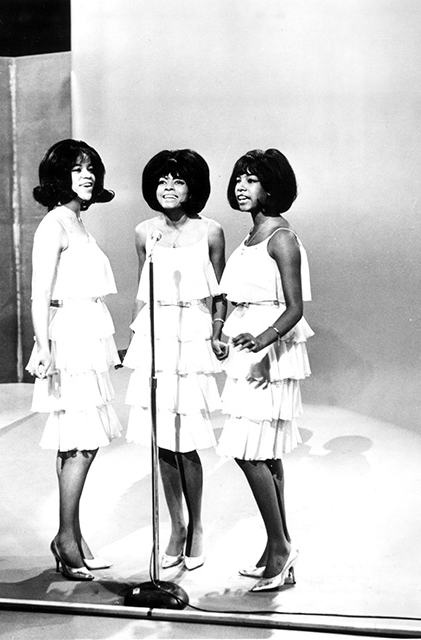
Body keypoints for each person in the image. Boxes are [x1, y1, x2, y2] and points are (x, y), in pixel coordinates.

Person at [123, 149, 227, 571]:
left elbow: (220, 292)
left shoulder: (212, 231)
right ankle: (176, 526)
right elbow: (143, 289)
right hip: (157, 337)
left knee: (188, 443)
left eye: (178, 181)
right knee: (162, 438)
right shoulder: (143, 231)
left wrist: (218, 333)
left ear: (193, 187)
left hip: (193, 336)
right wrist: (130, 345)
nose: (169, 187)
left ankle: (198, 526)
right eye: (162, 180)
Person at [216, 148, 313, 592]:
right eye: (239, 178)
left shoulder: (281, 238)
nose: (240, 186)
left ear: (271, 187)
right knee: (264, 453)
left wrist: (262, 339)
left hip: (268, 356)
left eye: (251, 179)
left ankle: (279, 547)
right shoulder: (250, 235)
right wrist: (222, 332)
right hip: (244, 349)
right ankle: (279, 546)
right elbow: (233, 297)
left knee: (251, 451)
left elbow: (294, 309)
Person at [26, 139, 121, 581]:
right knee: (81, 439)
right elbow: (40, 293)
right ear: (58, 176)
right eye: (77, 169)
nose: (87, 176)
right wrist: (42, 346)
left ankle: (73, 535)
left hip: (87, 334)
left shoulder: (78, 223)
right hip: (67, 338)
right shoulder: (55, 225)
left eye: (91, 169)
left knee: (78, 437)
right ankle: (66, 537)